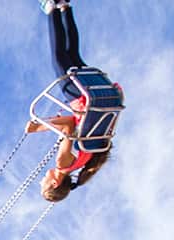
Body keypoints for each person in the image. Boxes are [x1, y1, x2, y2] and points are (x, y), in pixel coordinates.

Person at [27, 3, 115, 202]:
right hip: (80, 98)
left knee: (73, 54)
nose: (41, 180)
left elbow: (73, 128)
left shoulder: (81, 164)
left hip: (95, 95)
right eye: (43, 184)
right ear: (55, 183)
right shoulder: (63, 163)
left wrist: (50, 125)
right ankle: (51, 9)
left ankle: (65, 7)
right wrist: (39, 126)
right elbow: (69, 124)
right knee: (59, 57)